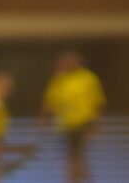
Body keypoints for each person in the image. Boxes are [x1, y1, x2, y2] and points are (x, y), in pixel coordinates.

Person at [40, 51, 105, 183]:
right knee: (73, 155)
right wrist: (44, 117)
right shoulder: (59, 79)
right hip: (65, 124)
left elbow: (98, 101)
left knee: (75, 153)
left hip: (84, 121)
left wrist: (96, 122)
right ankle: (78, 176)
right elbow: (50, 100)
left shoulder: (88, 78)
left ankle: (77, 176)